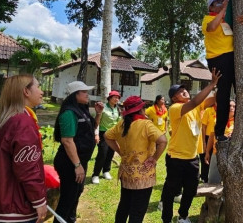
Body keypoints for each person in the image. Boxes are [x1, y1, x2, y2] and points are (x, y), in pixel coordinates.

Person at [0, 75, 47, 223]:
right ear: (26, 92)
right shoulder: (23, 121)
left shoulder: (5, 120)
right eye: (38, 87)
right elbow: (27, 168)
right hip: (15, 206)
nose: (42, 92)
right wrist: (39, 200)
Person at [161, 68, 220, 223]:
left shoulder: (196, 108)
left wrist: (223, 83)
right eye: (180, 92)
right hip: (176, 158)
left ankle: (182, 215)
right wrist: (211, 83)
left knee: (191, 189)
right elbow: (196, 101)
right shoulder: (175, 109)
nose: (184, 91)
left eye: (184, 89)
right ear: (174, 98)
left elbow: (213, 99)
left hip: (192, 158)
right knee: (171, 190)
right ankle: (166, 218)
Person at [202, 0, 243, 142]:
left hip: (232, 58)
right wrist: (224, 8)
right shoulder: (208, 19)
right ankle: (219, 132)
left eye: (222, 1)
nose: (221, 3)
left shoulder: (228, 20)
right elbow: (212, 28)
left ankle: (239, 129)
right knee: (224, 94)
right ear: (211, 7)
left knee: (241, 91)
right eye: (217, 2)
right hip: (217, 59)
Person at [105, 96, 167, 223]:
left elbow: (107, 136)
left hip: (126, 174)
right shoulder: (145, 124)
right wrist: (154, 159)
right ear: (141, 110)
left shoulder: (121, 124)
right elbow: (163, 140)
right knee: (137, 212)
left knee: (124, 206)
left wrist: (119, 151)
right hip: (143, 175)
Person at [53, 81, 104, 223]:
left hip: (80, 161)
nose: (88, 94)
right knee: (67, 198)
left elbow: (92, 126)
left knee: (76, 193)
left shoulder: (82, 109)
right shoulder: (69, 112)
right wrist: (77, 165)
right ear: (75, 95)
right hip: (70, 162)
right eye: (84, 92)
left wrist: (98, 113)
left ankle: (71, 219)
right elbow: (67, 141)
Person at [91, 90, 122, 184]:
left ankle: (106, 171)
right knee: (102, 153)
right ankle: (95, 174)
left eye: (118, 98)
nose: (116, 99)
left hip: (113, 134)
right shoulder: (103, 107)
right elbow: (97, 123)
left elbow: (118, 122)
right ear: (109, 98)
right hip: (103, 133)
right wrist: (96, 134)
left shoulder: (118, 109)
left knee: (110, 153)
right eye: (114, 97)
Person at [205, 100, 235, 184]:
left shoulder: (239, 123)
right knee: (213, 180)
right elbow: (211, 137)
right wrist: (207, 152)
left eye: (234, 106)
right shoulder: (218, 121)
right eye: (229, 106)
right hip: (216, 152)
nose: (231, 108)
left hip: (232, 155)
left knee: (229, 182)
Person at [199, 102, 217, 183]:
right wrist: (204, 141)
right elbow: (203, 126)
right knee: (206, 157)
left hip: (217, 138)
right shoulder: (208, 111)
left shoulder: (223, 111)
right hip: (207, 136)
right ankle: (204, 177)